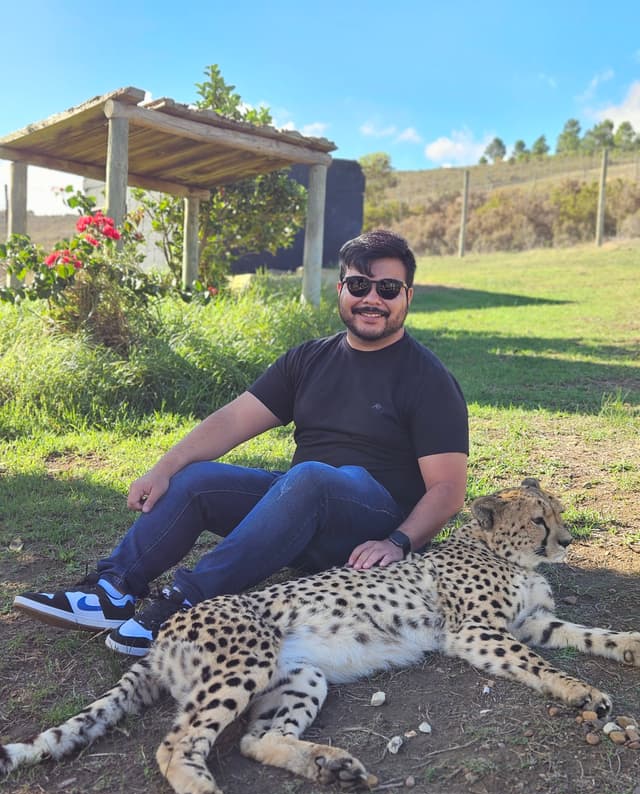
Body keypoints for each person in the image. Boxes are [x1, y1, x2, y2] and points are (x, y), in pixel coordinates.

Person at [14, 229, 469, 657]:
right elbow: (233, 419)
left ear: (408, 296)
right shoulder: (309, 359)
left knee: (311, 476)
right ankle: (114, 590)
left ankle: (187, 605)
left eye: (388, 289)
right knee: (197, 478)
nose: (372, 299)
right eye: (360, 285)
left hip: (368, 525)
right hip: (300, 513)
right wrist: (164, 467)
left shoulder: (427, 379)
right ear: (341, 290)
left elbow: (447, 489)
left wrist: (398, 541)